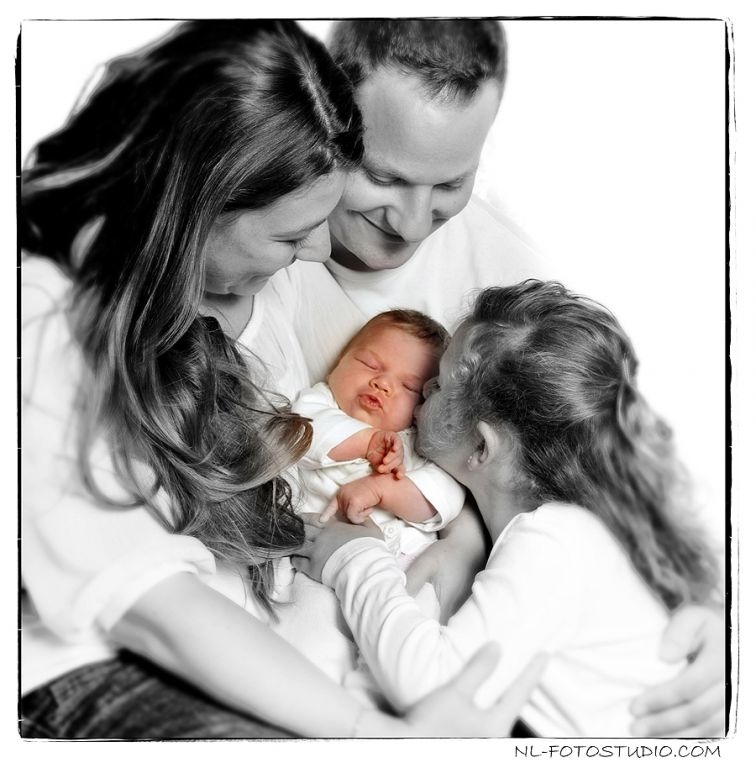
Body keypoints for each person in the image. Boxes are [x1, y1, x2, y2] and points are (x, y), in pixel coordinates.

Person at [20, 20, 542, 739]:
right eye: (292, 234)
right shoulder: (41, 311)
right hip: (93, 670)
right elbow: (148, 603)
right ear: (196, 206)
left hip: (267, 647)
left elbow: (454, 441)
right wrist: (380, 738)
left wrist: (461, 535)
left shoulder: (272, 291)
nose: (321, 250)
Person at [270, 18, 726, 736]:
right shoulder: (258, 253)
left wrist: (721, 629)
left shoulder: (506, 284)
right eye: (383, 176)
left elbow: (618, 474)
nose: (412, 222)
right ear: (324, 126)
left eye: (451, 182)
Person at [296, 280, 723, 737]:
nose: (425, 387)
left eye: (438, 384)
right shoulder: (558, 531)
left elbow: (436, 685)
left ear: (481, 447)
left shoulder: (554, 539)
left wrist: (356, 556)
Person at [293, 309, 464, 565]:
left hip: (408, 556)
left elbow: (446, 496)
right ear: (339, 361)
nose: (383, 383)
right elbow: (298, 438)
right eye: (370, 365)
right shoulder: (318, 402)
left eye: (408, 387)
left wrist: (382, 490)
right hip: (326, 553)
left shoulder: (420, 437)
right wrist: (367, 441)